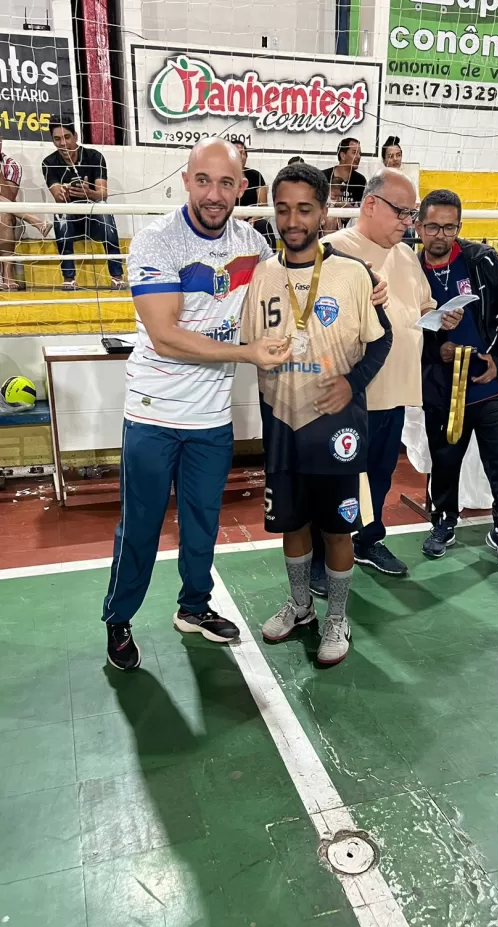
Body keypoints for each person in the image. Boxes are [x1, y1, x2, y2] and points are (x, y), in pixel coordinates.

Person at [102, 137, 291, 671]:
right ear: (186, 180)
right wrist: (247, 353)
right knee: (139, 525)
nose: (214, 193)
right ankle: (119, 619)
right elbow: (165, 337)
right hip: (153, 412)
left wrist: (359, 283)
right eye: (203, 180)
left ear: (241, 186)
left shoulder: (253, 243)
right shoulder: (156, 241)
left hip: (211, 418)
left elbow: (293, 285)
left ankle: (194, 608)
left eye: (226, 182)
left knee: (202, 522)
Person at [241, 163, 392, 665]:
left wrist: (352, 383)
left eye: (304, 208)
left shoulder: (352, 274)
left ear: (324, 213)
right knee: (291, 522)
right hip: (282, 418)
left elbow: (381, 339)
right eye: (282, 208)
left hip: (336, 427)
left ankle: (337, 617)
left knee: (338, 528)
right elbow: (247, 342)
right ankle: (302, 605)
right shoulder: (264, 274)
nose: (292, 219)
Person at [309, 168, 462, 593]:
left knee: (378, 477)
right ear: (370, 204)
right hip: (350, 396)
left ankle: (368, 540)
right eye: (403, 212)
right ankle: (320, 556)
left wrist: (443, 316)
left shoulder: (406, 256)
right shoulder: (332, 251)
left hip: (394, 392)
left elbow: (422, 309)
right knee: (336, 481)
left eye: (412, 214)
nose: (408, 223)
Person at [416, 189, 498, 572]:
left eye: (449, 227)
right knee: (444, 463)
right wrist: (438, 350)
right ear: (419, 226)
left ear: (459, 227)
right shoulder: (411, 273)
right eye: (433, 226)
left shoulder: (482, 261)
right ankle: (444, 522)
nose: (440, 235)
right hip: (445, 391)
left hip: (494, 387)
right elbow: (406, 333)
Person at [42, 118, 126, 291]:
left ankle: (117, 276)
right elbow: (57, 195)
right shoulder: (48, 162)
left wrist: (89, 193)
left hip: (93, 216)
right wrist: (65, 192)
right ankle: (69, 277)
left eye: (67, 137)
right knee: (61, 212)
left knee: (103, 207)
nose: (63, 143)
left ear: (76, 136)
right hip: (71, 220)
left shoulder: (94, 156)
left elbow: (103, 193)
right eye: (57, 139)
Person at [0, 138, 52, 290]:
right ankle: (34, 221)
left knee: (4, 214)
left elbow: (8, 197)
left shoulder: (12, 166)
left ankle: (7, 273)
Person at [322, 138, 366, 207]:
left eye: (359, 154)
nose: (358, 157)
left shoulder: (360, 181)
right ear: (343, 155)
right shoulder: (323, 177)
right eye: (354, 152)